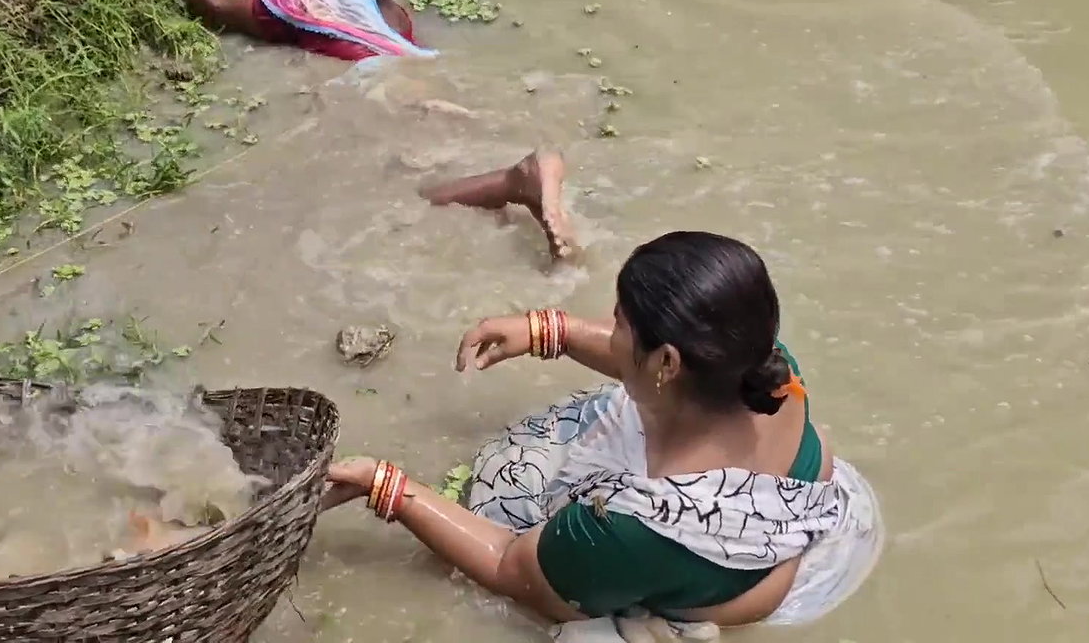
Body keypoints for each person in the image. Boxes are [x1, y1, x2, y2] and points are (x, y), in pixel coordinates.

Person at [320, 231, 882, 636]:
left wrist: (387, 486)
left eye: (618, 324)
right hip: (805, 528)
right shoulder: (772, 369)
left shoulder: (629, 526)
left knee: (512, 505)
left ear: (665, 362)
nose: (609, 333)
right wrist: (554, 331)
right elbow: (677, 365)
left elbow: (507, 566)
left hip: (707, 576)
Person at [110, 0, 577, 259]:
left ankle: (518, 179)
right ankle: (518, 182)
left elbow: (212, 7)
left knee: (416, 195)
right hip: (424, 73)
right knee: (436, 162)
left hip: (383, 87)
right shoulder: (393, 10)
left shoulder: (300, 4)